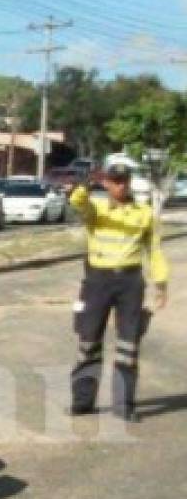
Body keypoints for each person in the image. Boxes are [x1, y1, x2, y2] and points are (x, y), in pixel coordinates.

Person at [67, 162, 169, 421]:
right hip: (97, 281)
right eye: (115, 181)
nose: (121, 185)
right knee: (88, 342)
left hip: (130, 282)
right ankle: (82, 403)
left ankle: (124, 406)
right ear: (106, 183)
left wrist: (161, 284)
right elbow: (79, 205)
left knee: (128, 346)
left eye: (124, 180)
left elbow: (154, 251)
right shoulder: (97, 209)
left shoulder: (144, 213)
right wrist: (82, 186)